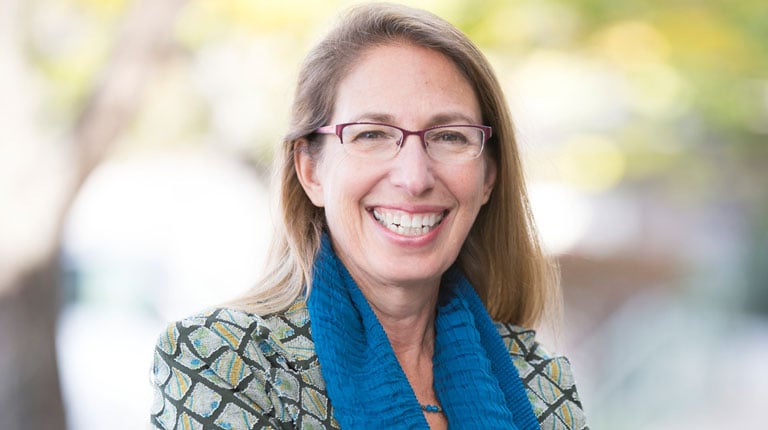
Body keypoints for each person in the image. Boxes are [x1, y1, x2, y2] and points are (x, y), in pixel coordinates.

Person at [150, 3, 588, 429]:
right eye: (372, 134)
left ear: (488, 175)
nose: (414, 178)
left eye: (450, 136)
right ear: (311, 170)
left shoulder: (540, 380)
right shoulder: (225, 359)